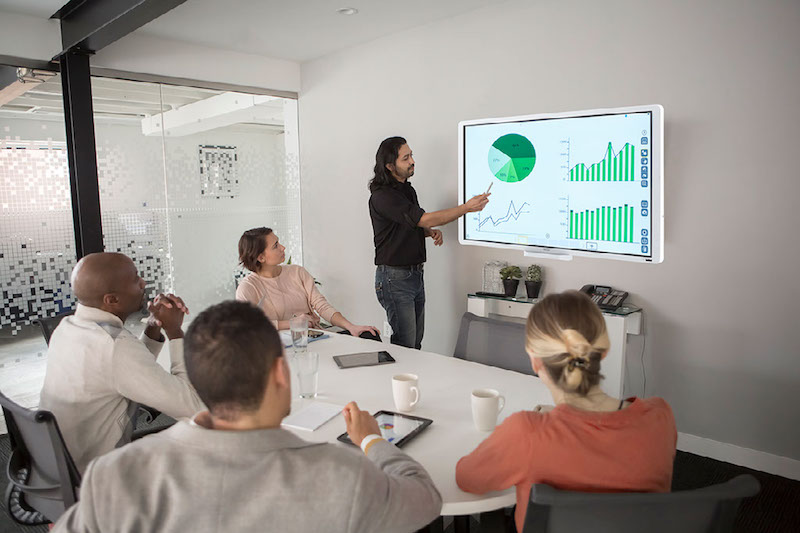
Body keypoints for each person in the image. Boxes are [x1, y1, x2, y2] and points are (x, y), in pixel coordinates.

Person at [52, 300, 443, 532]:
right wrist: (372, 440)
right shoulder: (343, 475)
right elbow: (425, 498)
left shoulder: (113, 476)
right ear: (280, 373)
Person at [455, 290, 676, 533]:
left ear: (535, 361)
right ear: (603, 350)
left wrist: (542, 425)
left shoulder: (527, 433)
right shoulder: (660, 418)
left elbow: (467, 478)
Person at [39, 252, 205, 473]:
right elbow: (193, 407)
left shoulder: (68, 327)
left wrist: (154, 326)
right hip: (96, 474)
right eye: (136, 279)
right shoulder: (114, 345)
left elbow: (124, 372)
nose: (143, 283)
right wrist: (175, 332)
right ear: (112, 300)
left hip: (55, 465)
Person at [369, 136, 490, 349]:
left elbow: (408, 224)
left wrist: (427, 232)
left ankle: (411, 381)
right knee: (406, 346)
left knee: (415, 344)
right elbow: (423, 218)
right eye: (405, 158)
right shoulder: (383, 196)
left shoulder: (407, 190)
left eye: (411, 155)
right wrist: (465, 208)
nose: (412, 161)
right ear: (390, 166)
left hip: (414, 274)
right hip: (394, 278)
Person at [236, 226, 379, 338]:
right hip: (280, 348)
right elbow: (247, 326)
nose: (282, 247)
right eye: (275, 246)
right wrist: (292, 324)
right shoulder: (248, 288)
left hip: (315, 338)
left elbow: (322, 306)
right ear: (261, 257)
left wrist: (350, 326)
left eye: (279, 242)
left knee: (370, 336)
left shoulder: (297, 272)